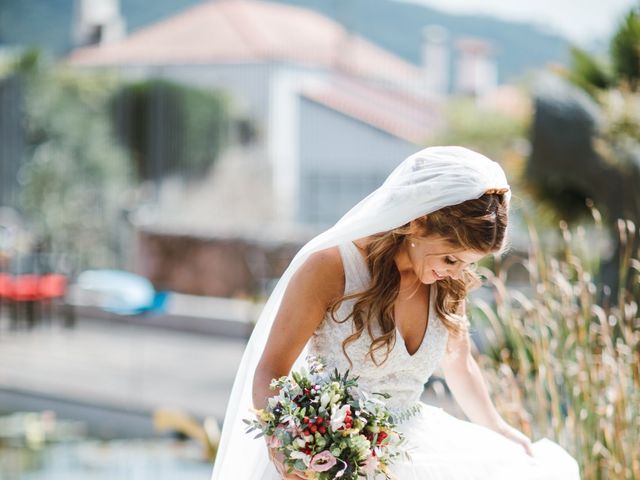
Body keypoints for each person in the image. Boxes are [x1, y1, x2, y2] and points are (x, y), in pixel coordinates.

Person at [210, 146, 581, 479]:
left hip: (418, 448)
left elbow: (460, 363)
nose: (455, 271)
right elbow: (272, 370)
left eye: (467, 263)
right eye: (451, 257)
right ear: (416, 221)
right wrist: (285, 448)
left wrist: (498, 429)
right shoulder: (329, 268)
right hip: (334, 455)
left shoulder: (447, 280)